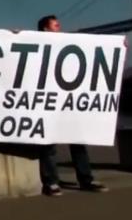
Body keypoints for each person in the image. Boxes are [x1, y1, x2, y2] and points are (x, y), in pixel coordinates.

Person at [36, 15, 108, 196]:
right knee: (48, 144)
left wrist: (117, 47)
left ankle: (86, 179)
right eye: (55, 24)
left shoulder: (68, 43)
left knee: (77, 140)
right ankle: (51, 182)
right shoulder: (36, 43)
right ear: (45, 28)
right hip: (48, 102)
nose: (59, 26)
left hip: (69, 100)